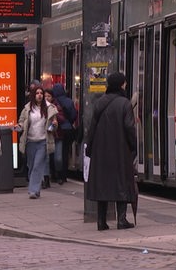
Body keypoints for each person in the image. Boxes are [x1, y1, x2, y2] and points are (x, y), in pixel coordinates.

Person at [85, 72, 137, 231]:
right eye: (125, 83)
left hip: (100, 150)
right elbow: (129, 127)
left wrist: (90, 147)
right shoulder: (125, 103)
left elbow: (92, 127)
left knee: (103, 184)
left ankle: (101, 221)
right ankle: (122, 219)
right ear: (121, 84)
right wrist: (133, 146)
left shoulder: (100, 102)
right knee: (122, 182)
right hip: (119, 149)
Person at [15, 85, 58, 199]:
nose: (39, 95)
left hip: (43, 141)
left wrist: (54, 125)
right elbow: (21, 121)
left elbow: (54, 125)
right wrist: (18, 126)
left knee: (38, 166)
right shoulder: (27, 109)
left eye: (41, 93)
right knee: (31, 166)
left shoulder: (49, 108)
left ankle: (33, 190)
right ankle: (36, 187)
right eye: (37, 93)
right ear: (33, 95)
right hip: (30, 141)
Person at [52, 83, 77, 184]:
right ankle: (64, 175)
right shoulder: (69, 101)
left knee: (57, 152)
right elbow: (74, 115)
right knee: (65, 152)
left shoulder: (53, 102)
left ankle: (57, 174)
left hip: (58, 130)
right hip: (68, 129)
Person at [43, 88, 66, 188]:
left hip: (57, 135)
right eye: (45, 96)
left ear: (52, 97)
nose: (47, 98)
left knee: (58, 158)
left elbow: (62, 118)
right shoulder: (40, 107)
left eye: (49, 96)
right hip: (46, 136)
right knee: (46, 158)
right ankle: (46, 178)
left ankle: (59, 175)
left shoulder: (56, 106)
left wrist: (55, 116)